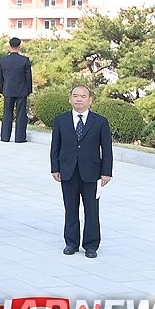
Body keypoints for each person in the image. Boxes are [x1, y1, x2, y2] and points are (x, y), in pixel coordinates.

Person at [50, 86, 113, 258]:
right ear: (70, 99)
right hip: (68, 171)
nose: (79, 99)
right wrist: (55, 168)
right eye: (75, 96)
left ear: (90, 100)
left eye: (83, 96)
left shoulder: (100, 122)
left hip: (91, 172)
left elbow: (107, 149)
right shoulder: (61, 120)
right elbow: (55, 146)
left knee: (91, 210)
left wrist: (106, 172)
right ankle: (71, 243)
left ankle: (91, 245)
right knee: (70, 208)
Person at [0, 37, 33, 143]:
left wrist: (1, 89)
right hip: (22, 90)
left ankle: (5, 137)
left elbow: (0, 77)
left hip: (8, 89)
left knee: (7, 113)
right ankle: (20, 138)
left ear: (9, 46)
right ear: (19, 46)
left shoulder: (3, 60)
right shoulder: (24, 60)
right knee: (21, 114)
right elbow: (28, 77)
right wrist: (29, 90)